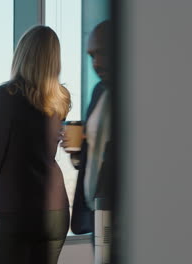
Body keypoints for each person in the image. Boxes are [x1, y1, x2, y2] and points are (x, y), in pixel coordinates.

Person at [0, 26, 71, 264]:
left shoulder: (4, 95)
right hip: (55, 211)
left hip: (17, 211)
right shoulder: (60, 98)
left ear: (22, 54)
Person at [61, 20, 113, 235]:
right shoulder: (99, 91)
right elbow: (91, 158)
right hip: (96, 213)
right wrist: (77, 150)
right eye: (91, 56)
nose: (96, 63)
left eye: (102, 53)